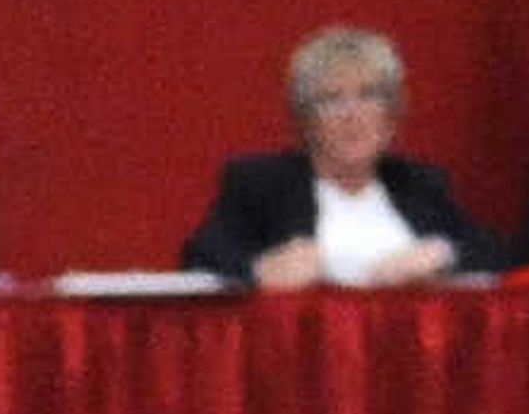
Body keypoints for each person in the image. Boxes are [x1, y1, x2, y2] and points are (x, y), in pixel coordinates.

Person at [183, 25, 501, 288]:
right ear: (305, 118)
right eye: (332, 99)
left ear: (391, 113)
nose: (353, 115)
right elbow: (202, 255)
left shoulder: (419, 183)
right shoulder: (262, 184)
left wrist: (443, 254)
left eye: (369, 96)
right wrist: (260, 269)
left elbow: (496, 253)